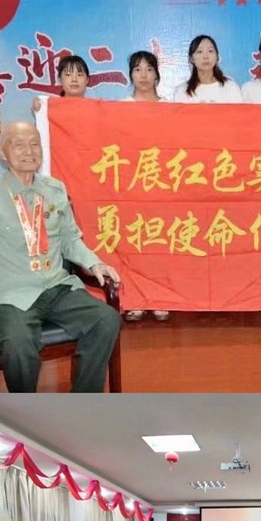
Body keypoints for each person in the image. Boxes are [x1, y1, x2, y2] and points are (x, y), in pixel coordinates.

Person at [0, 121, 121, 393]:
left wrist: (94, 262)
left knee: (106, 319)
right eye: (19, 145)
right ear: (2, 152)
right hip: (10, 294)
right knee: (17, 344)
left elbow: (70, 239)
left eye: (34, 144)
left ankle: (84, 400)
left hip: (57, 287)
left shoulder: (55, 189)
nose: (29, 151)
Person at [122, 50, 170, 323]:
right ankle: (135, 298)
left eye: (149, 69)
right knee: (135, 241)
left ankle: (160, 296)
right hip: (132, 185)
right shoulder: (120, 107)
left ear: (157, 74)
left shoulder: (171, 107)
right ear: (130, 74)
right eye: (138, 69)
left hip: (163, 184)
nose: (144, 75)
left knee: (161, 242)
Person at [173, 35, 242, 103]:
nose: (205, 56)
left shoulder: (231, 87)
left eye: (210, 51)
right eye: (200, 51)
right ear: (191, 59)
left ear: (217, 57)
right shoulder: (182, 91)